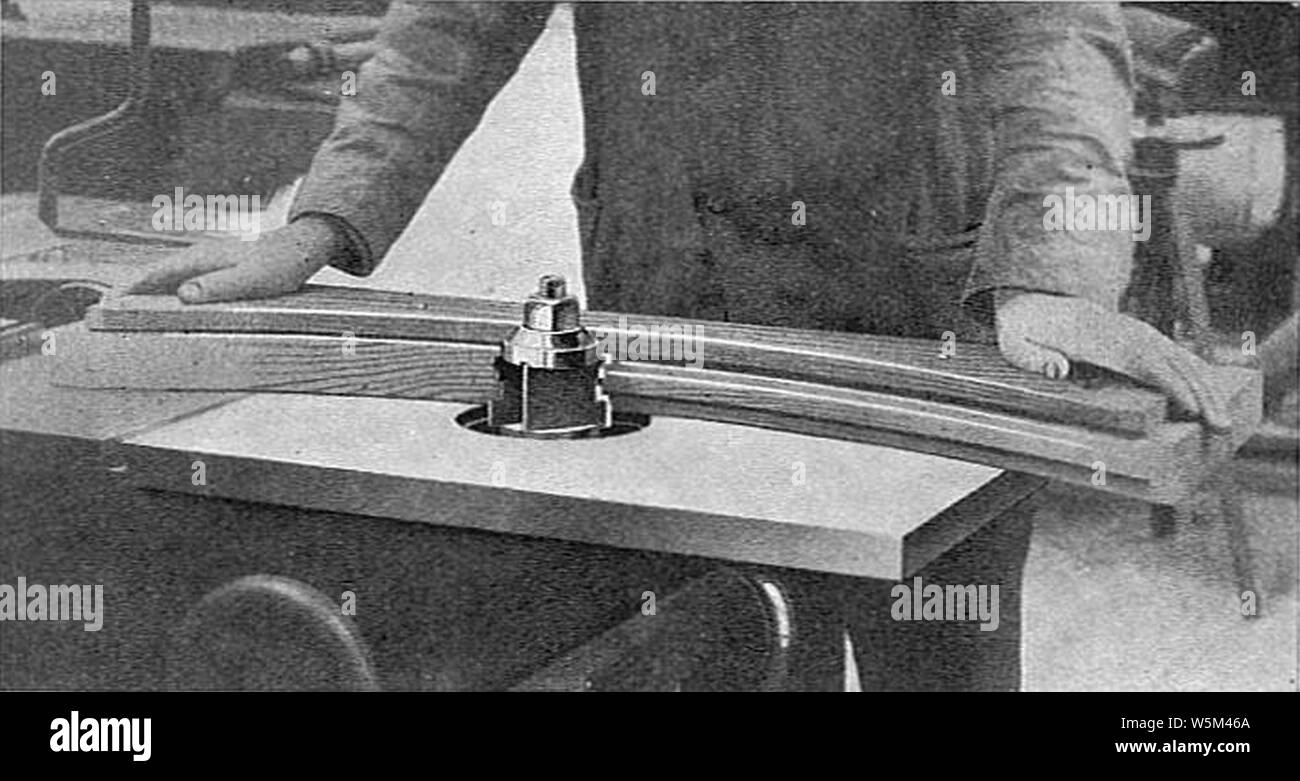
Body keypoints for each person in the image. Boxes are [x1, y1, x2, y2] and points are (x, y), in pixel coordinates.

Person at [125, 0, 1229, 427]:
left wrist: (1052, 269)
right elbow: (450, 27)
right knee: (699, 639)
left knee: (930, 656)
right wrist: (317, 225)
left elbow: (1053, 41)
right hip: (666, 300)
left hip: (913, 315)